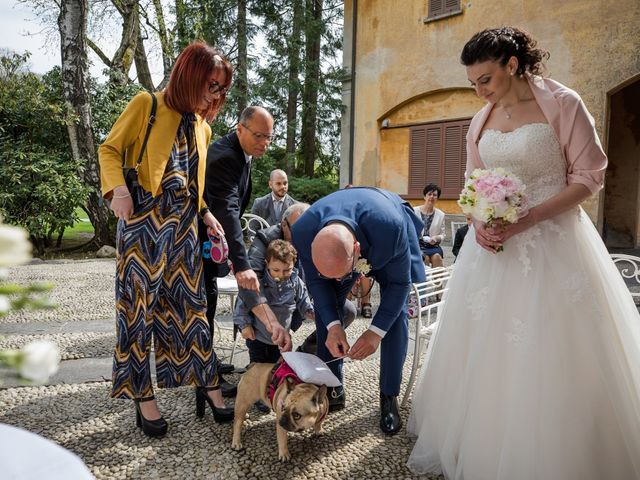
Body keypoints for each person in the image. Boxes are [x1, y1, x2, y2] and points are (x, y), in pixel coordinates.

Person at [407, 27, 640, 478]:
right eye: (473, 82)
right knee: (487, 354)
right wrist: (478, 226)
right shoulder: (481, 121)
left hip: (555, 245)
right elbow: (472, 186)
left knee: (556, 352)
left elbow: (590, 176)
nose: (479, 91)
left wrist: (530, 217)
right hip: (492, 255)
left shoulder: (563, 103)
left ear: (512, 65)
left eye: (485, 80)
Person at [98, 41, 234, 436]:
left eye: (222, 88)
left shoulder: (203, 127)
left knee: (191, 308)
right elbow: (109, 149)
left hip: (184, 229)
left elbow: (195, 185)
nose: (217, 95)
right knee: (138, 311)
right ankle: (144, 396)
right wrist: (116, 190)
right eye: (213, 84)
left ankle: (206, 381)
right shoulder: (148, 105)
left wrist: (207, 215)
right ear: (190, 75)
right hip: (143, 220)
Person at [292, 187, 426, 434]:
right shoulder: (302, 230)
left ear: (356, 250)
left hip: (384, 238)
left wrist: (375, 333)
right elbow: (317, 284)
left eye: (343, 275)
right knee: (326, 315)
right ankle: (331, 388)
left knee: (394, 319)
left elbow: (399, 284)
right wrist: (334, 326)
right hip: (345, 248)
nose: (344, 281)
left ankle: (389, 396)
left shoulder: (390, 226)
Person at [201, 106, 292, 354]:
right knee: (202, 307)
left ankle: (208, 370)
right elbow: (227, 211)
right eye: (258, 136)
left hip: (211, 242)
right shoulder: (226, 157)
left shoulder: (241, 152)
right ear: (240, 129)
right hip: (198, 243)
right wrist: (241, 265)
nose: (264, 143)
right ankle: (205, 384)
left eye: (269, 137)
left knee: (207, 304)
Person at [238, 202, 356, 355]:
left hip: (304, 296)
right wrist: (248, 323)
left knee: (347, 310)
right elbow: (248, 286)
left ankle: (310, 351)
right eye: (298, 229)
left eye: (310, 230)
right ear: (283, 225)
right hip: (269, 306)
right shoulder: (265, 240)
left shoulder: (317, 239)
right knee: (263, 362)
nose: (305, 235)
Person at [234, 239, 314, 363]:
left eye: (287, 270)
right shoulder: (259, 283)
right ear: (267, 264)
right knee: (258, 368)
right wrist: (245, 325)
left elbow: (304, 301)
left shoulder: (295, 282)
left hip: (281, 338)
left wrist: (310, 312)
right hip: (258, 337)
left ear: (294, 264)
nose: (281, 275)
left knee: (276, 367)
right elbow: (243, 303)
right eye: (276, 270)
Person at [414, 183, 446, 269]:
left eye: (434, 195)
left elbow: (443, 235)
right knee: (425, 259)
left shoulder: (441, 214)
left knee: (437, 258)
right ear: (425, 196)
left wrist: (436, 238)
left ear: (437, 198)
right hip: (417, 245)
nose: (431, 197)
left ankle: (438, 282)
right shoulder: (414, 211)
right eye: (429, 194)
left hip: (433, 246)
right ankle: (425, 282)